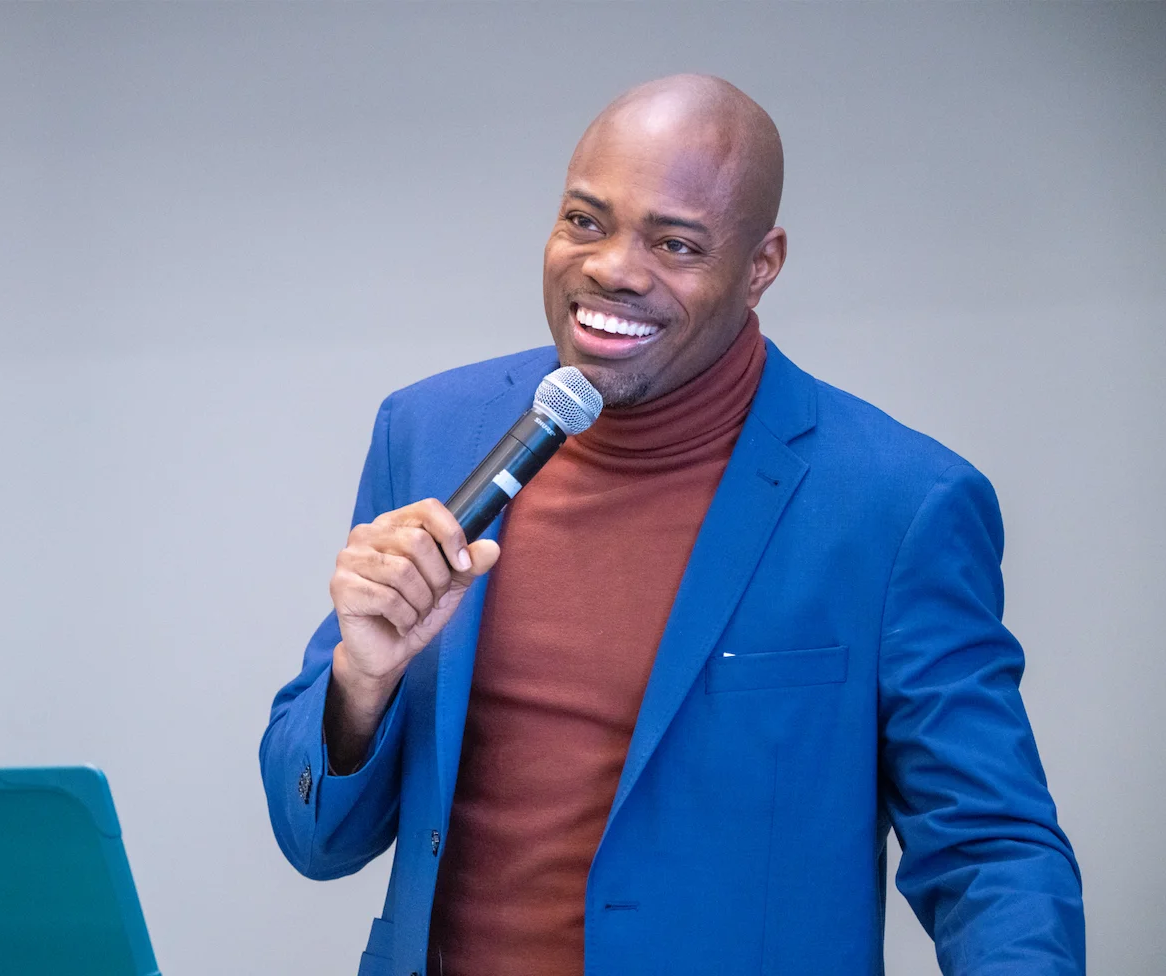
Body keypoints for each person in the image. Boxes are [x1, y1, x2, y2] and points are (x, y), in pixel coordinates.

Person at [259, 74, 1085, 976]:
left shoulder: (897, 503)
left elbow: (991, 851)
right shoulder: (428, 432)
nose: (612, 266)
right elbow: (317, 841)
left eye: (676, 243)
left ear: (760, 266)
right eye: (584, 221)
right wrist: (359, 684)